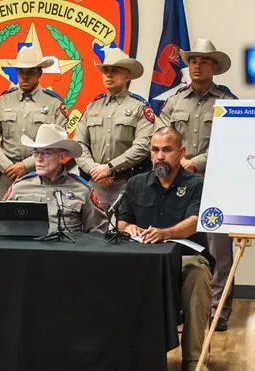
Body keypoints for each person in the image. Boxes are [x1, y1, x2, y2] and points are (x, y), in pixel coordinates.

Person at [118, 127, 212, 371]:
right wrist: (130, 229)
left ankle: (193, 360)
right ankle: (128, 354)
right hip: (143, 260)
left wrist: (165, 233)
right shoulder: (136, 183)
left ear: (181, 152)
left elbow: (195, 222)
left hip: (185, 258)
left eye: (167, 150)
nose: (160, 156)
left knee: (198, 276)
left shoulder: (196, 185)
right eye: (155, 150)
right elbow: (122, 221)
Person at [159, 39, 236, 331]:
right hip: (179, 187)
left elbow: (233, 142)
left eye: (204, 61)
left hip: (216, 185)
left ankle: (217, 314)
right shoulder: (174, 100)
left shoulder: (228, 102)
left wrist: (196, 162)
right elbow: (161, 138)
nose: (197, 66)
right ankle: (180, 308)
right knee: (179, 246)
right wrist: (178, 163)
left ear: (214, 67)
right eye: (192, 61)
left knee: (219, 254)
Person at [0, 46, 68, 199]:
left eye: (31, 72)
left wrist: (25, 165)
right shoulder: (3, 101)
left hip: (42, 175)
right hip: (9, 176)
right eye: (21, 71)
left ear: (40, 73)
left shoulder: (54, 103)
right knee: (6, 221)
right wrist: (8, 166)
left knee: (43, 220)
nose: (25, 76)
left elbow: (59, 143)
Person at [74, 48, 155, 209]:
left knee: (126, 229)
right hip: (96, 182)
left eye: (115, 71)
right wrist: (94, 170)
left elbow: (143, 146)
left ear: (128, 76)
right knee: (94, 231)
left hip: (128, 181)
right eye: (106, 71)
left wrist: (109, 168)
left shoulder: (139, 107)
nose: (109, 75)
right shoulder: (91, 107)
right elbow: (78, 144)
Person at [3, 124, 106, 233]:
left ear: (62, 156)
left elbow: (97, 234)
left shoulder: (83, 190)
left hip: (67, 248)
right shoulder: (19, 187)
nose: (38, 159)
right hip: (29, 248)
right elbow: (3, 226)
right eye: (36, 152)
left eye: (46, 153)